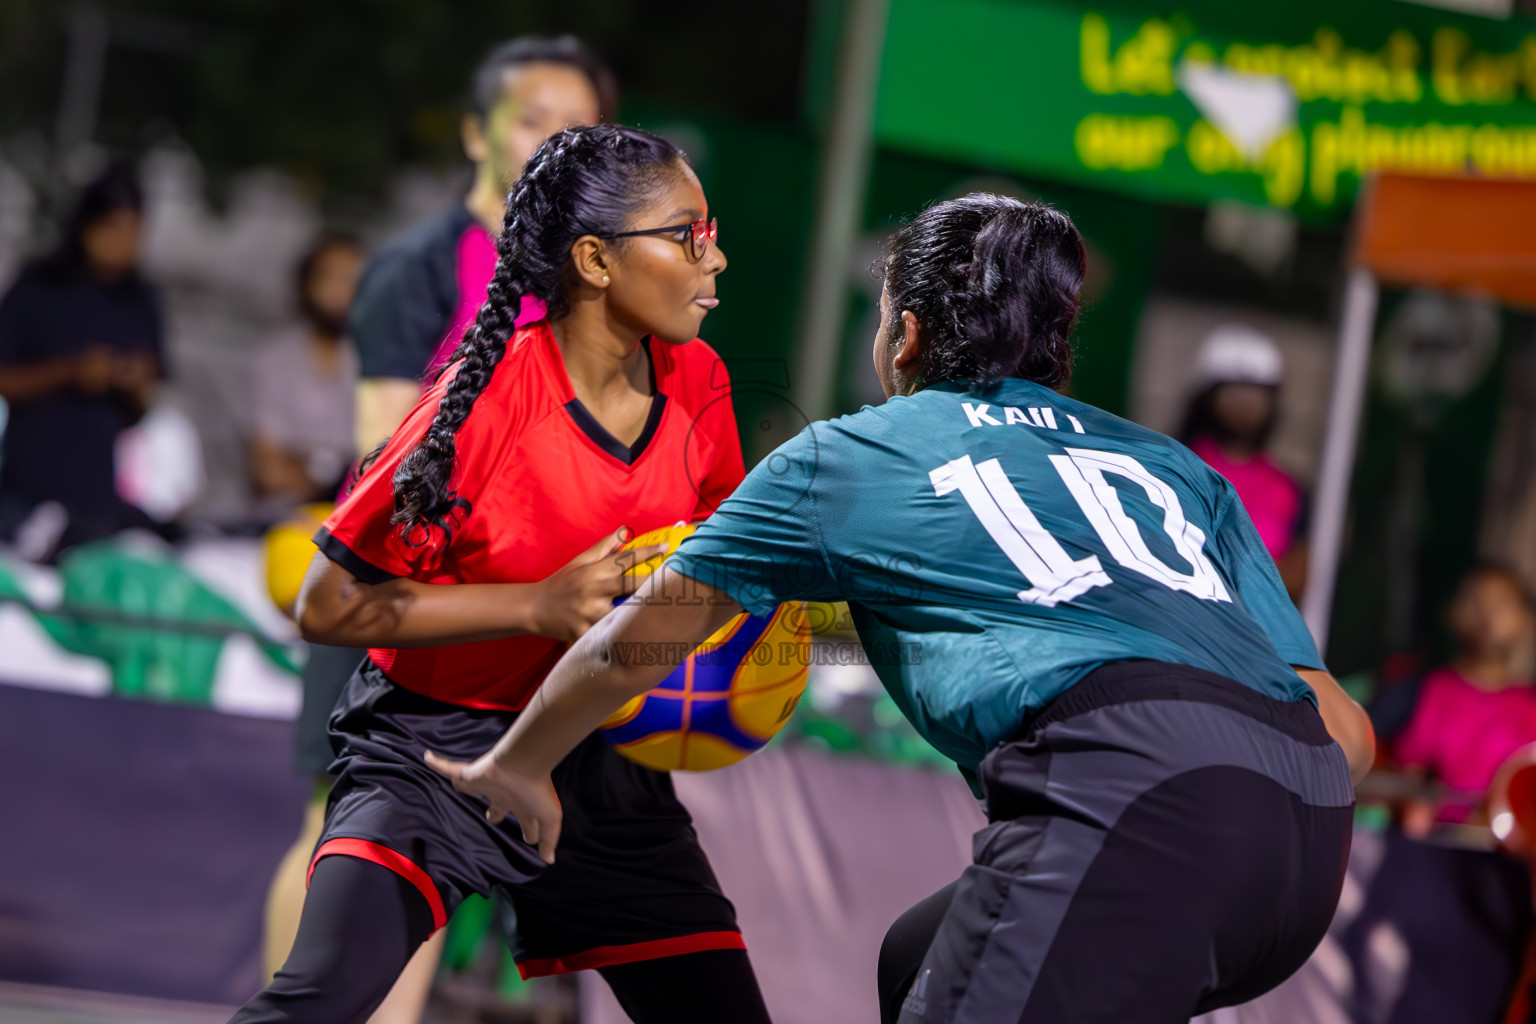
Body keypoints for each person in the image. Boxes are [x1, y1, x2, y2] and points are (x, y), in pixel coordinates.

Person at [429, 194, 1377, 1024]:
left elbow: (635, 644)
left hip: (1135, 798)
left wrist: (519, 765)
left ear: (905, 336)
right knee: (918, 960)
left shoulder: (850, 455)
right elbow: (1346, 728)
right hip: (1303, 837)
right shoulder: (1174, 468)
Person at [231, 124, 767, 1024]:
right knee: (314, 1004)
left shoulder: (700, 383)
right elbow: (326, 604)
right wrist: (537, 605)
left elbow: (717, 573)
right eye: (687, 234)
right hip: (431, 754)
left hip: (598, 754)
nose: (715, 257)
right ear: (595, 260)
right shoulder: (480, 405)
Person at [351, 35, 614, 456]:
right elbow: (382, 450)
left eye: (576, 127)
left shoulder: (597, 267)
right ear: (476, 134)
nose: (556, 144)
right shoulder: (416, 264)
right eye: (532, 121)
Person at [0, 160, 167, 555]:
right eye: (113, 227)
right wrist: (70, 372)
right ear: (87, 225)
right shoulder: (38, 286)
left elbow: (144, 408)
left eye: (133, 230)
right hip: (25, 489)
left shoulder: (140, 300)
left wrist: (133, 384)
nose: (123, 242)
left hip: (96, 495)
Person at [1390, 563, 1536, 831]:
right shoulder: (1434, 690)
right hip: (1438, 841)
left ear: (1525, 620)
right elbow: (1412, 772)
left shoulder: (1529, 706)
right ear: (1455, 614)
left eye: (1502, 604)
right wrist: (1415, 808)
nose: (1488, 616)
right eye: (1477, 602)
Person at [1179, 325, 1308, 598]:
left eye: (1257, 394)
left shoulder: (1289, 487)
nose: (1246, 405)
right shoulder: (1174, 467)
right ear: (1206, 398)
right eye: (1233, 393)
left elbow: (1298, 575)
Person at [248, 235, 364, 510]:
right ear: (307, 285)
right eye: (334, 278)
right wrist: (339, 477)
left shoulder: (377, 362)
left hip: (354, 521)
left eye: (355, 281)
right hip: (285, 516)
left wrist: (303, 462)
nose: (344, 292)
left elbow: (388, 466)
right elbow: (269, 473)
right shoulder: (274, 362)